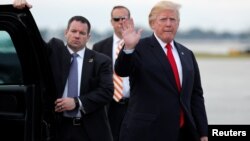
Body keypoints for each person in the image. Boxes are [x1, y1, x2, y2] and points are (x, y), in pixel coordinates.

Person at [13, 1, 114, 141]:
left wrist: (77, 102)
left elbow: (107, 92)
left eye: (82, 33)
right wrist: (22, 12)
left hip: (91, 131)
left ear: (88, 37)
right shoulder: (53, 50)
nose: (77, 36)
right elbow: (32, 42)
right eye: (73, 31)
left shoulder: (101, 60)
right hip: (59, 129)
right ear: (66, 32)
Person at [114, 1, 208, 141]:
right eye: (163, 19)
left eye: (173, 19)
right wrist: (128, 48)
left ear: (178, 23)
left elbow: (196, 96)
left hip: (183, 133)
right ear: (152, 24)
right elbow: (122, 70)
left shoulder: (187, 54)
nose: (168, 24)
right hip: (146, 133)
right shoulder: (139, 48)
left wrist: (203, 133)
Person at [92, 5, 130, 141]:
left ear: (130, 20)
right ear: (111, 22)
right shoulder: (99, 47)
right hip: (108, 106)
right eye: (116, 19)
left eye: (124, 18)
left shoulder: (140, 46)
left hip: (133, 105)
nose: (120, 21)